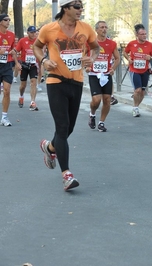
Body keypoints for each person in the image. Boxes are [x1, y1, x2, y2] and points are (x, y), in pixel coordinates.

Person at [33, 0, 100, 191]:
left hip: (76, 81)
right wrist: (44, 60)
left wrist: (92, 59)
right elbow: (36, 47)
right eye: (77, 6)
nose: (81, 10)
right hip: (56, 81)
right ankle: (67, 175)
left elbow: (95, 48)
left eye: (81, 7)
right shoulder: (49, 29)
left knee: (69, 128)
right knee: (62, 127)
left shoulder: (86, 28)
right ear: (65, 8)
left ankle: (50, 148)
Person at [86, 20, 120, 132]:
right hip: (94, 74)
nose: (104, 29)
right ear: (96, 29)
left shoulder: (112, 43)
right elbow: (82, 55)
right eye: (101, 27)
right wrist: (86, 66)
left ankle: (101, 122)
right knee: (96, 100)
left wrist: (113, 69)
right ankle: (92, 114)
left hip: (106, 75)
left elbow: (117, 58)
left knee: (107, 99)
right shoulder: (90, 42)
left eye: (106, 27)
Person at [123, 24, 152, 117]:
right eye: (142, 34)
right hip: (134, 70)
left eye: (145, 34)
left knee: (142, 92)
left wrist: (151, 57)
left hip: (145, 70)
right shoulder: (132, 44)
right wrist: (128, 58)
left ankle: (136, 106)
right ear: (137, 35)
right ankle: (135, 108)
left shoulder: (149, 45)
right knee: (137, 90)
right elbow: (125, 52)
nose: (144, 36)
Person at [0, 14, 20, 127]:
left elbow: (13, 51)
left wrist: (17, 63)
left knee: (7, 91)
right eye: (5, 20)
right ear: (0, 22)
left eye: (9, 20)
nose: (8, 21)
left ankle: (4, 116)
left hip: (7, 65)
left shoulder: (11, 35)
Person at [15, 26, 40, 111]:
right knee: (23, 85)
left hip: (33, 65)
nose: (33, 34)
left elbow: (41, 51)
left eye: (35, 32)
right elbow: (15, 52)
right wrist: (17, 63)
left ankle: (32, 102)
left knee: (33, 82)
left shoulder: (38, 41)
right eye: (32, 32)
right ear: (28, 32)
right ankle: (21, 96)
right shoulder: (22, 40)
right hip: (24, 65)